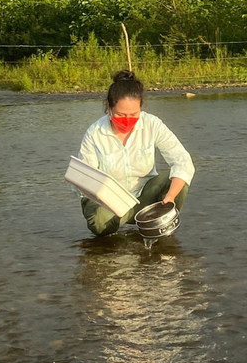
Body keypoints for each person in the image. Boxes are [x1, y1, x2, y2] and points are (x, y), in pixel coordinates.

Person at [77, 69, 195, 237]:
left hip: (144, 197)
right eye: (120, 115)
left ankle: (157, 224)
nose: (127, 120)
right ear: (109, 108)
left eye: (133, 114)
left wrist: (170, 197)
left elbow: (182, 160)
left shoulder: (152, 124)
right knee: (99, 223)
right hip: (110, 202)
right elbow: (84, 178)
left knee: (177, 180)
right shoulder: (95, 132)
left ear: (141, 108)